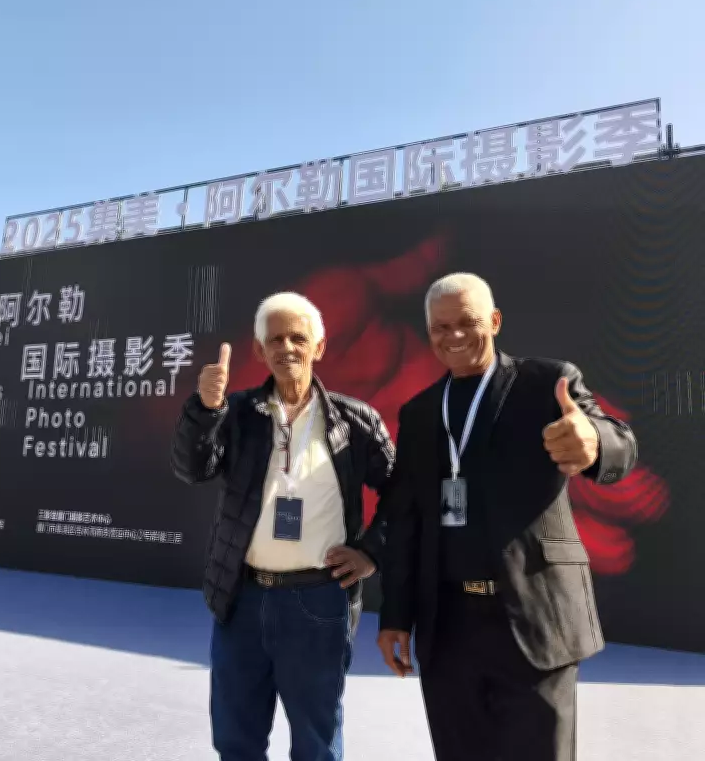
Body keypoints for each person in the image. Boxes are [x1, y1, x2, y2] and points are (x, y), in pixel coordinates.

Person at [377, 272, 637, 761]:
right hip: (447, 630)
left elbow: (619, 440)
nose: (454, 336)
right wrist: (395, 617)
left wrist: (594, 441)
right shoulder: (419, 413)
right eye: (441, 327)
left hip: (536, 619)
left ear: (494, 321)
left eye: (468, 322)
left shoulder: (547, 383)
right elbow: (406, 523)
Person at [172, 291, 395, 761]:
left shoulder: (354, 421)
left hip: (319, 601)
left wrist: (372, 552)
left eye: (298, 338)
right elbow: (192, 468)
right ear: (259, 350)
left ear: (320, 347)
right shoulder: (235, 413)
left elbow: (403, 495)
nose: (287, 347)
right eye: (275, 339)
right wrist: (204, 409)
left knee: (316, 744)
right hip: (242, 600)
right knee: (236, 741)